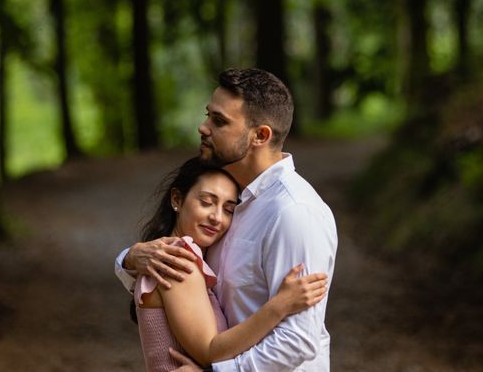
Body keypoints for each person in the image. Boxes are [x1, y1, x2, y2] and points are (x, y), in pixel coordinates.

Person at [116, 68, 338, 371]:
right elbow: (182, 287)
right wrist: (129, 259)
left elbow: (297, 340)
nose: (203, 127)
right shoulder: (234, 197)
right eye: (209, 115)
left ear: (260, 135)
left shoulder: (293, 213)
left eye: (219, 121)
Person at [131, 157, 328, 371]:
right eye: (206, 202)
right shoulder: (177, 260)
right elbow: (209, 352)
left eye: (228, 209)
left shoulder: (172, 255)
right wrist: (279, 306)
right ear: (177, 199)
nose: (217, 217)